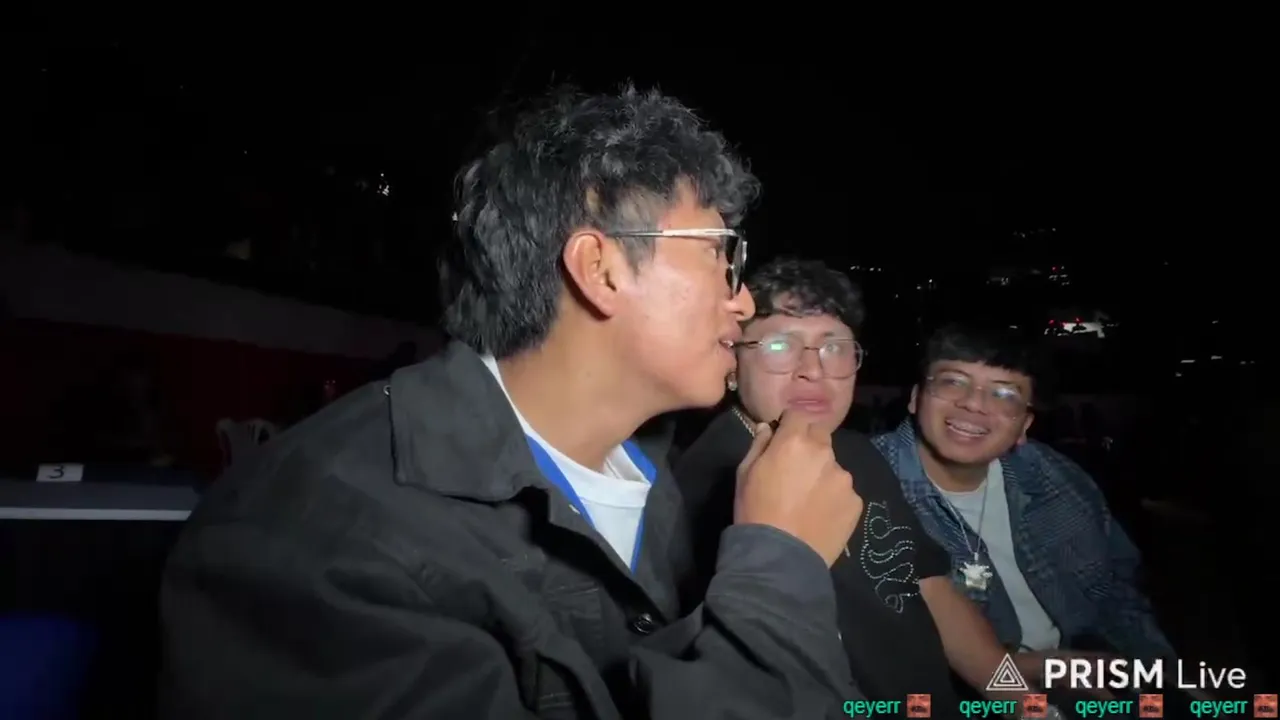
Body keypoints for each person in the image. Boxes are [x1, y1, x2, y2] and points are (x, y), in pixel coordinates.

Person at [159, 87, 864, 719]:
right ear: (600, 269)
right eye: (721, 256)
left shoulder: (655, 478)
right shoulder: (320, 537)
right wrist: (781, 566)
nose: (742, 303)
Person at [675, 258, 1053, 711]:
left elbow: (928, 588)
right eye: (780, 345)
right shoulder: (698, 487)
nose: (813, 370)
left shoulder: (858, 452)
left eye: (834, 347)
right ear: (733, 365)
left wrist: (1025, 703)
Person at [871, 323, 1184, 689]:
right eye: (953, 381)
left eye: (1004, 393)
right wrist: (1023, 669)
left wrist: (1159, 676)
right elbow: (867, 654)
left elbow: (1116, 593)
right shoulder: (864, 485)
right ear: (915, 398)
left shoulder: (1056, 479)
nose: (974, 404)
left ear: (1024, 424)